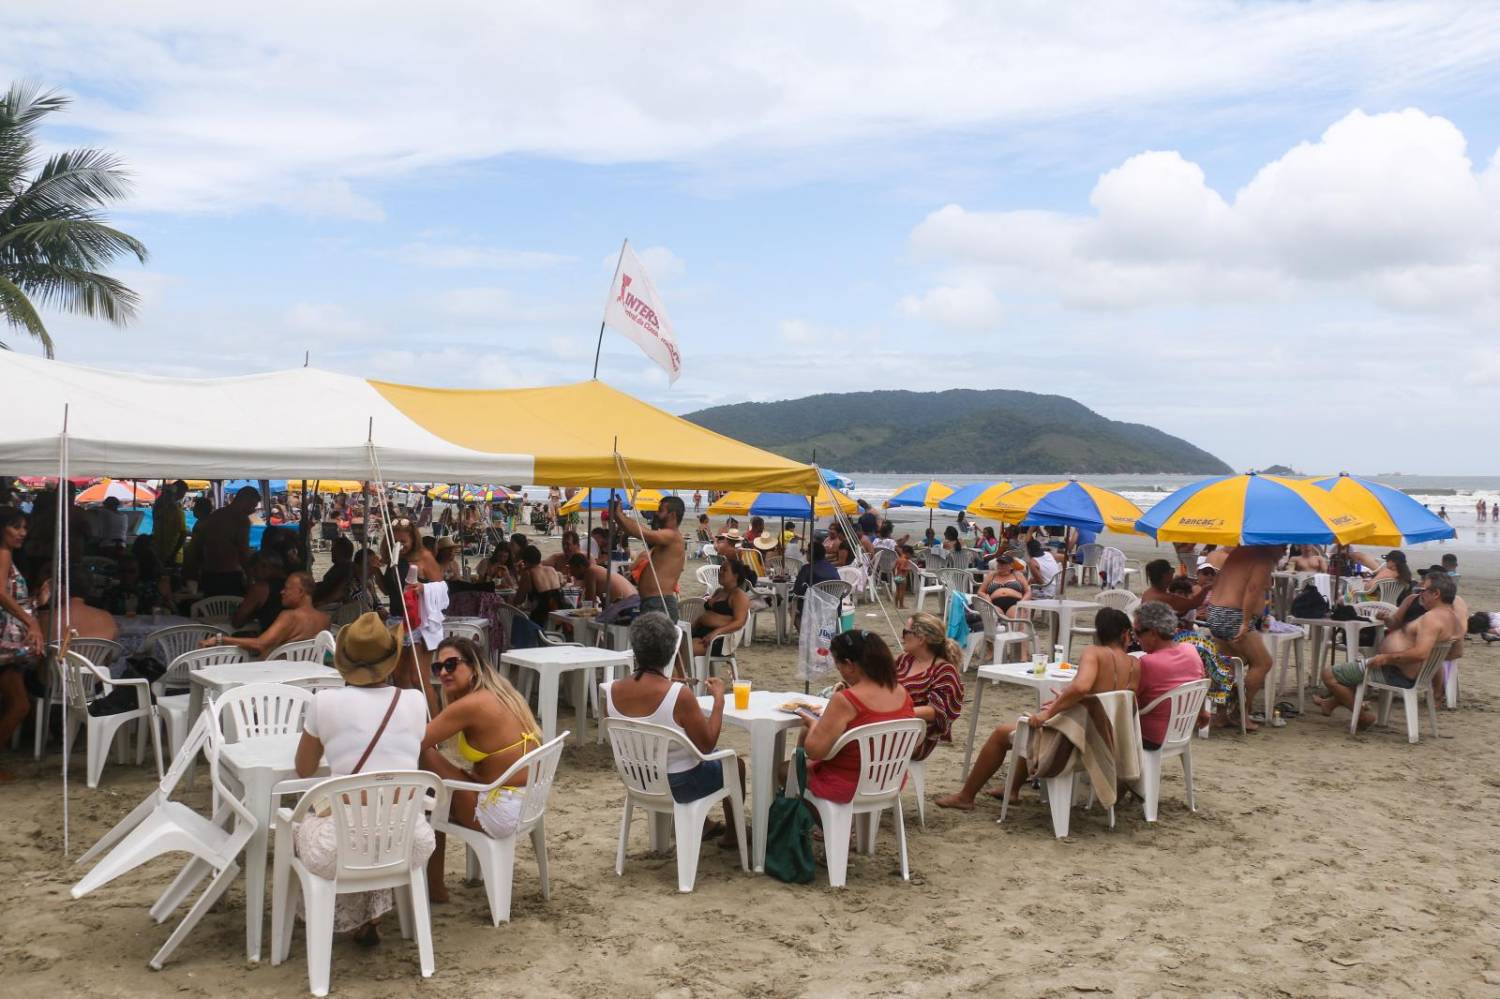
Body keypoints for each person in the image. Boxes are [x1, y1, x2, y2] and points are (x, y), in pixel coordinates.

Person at [291, 613, 434, 945]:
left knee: (311, 824)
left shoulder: (324, 702)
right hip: (409, 841)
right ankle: (371, 916)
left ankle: (329, 918)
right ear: (390, 660)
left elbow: (304, 768)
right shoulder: (415, 701)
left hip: (343, 847)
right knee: (376, 820)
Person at [937, 608, 1136, 811]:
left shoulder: (1094, 653)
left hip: (1076, 740)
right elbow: (1115, 701)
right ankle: (1012, 789)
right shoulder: (1134, 664)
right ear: (1124, 634)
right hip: (1110, 739)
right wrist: (1069, 702)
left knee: (1006, 732)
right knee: (1032, 727)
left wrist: (1050, 712)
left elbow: (1081, 687)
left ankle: (966, 796)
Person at [419, 635, 542, 902]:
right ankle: (433, 885)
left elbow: (417, 742)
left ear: (473, 666)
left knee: (426, 773)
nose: (443, 672)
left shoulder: (470, 705)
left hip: (501, 811)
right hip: (528, 802)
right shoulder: (502, 692)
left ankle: (434, 887)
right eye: (437, 667)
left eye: (451, 664)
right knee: (434, 789)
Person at [603, 613, 742, 848]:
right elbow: (706, 745)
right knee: (735, 764)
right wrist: (719, 700)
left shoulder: (610, 690)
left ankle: (704, 825)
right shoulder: (678, 694)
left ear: (635, 649)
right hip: (679, 784)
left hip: (638, 778)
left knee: (686, 753)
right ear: (670, 652)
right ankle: (732, 836)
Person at [1316, 572, 1461, 729]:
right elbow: (1453, 652)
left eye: (1424, 590)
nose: (1421, 594)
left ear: (1436, 594)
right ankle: (1330, 704)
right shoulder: (1452, 618)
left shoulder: (1431, 619)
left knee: (1328, 674)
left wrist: (1386, 658)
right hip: (1410, 673)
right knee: (1354, 672)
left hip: (1395, 673)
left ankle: (1363, 718)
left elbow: (1421, 653)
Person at [794, 629, 916, 805]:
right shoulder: (901, 692)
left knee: (786, 770)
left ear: (850, 665)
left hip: (848, 785)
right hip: (889, 780)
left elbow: (814, 752)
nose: (840, 672)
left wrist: (813, 724)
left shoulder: (846, 700)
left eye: (839, 666)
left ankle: (821, 821)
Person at [1203, 544, 1281, 731]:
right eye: (1283, 545)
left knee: (1227, 664)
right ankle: (1240, 712)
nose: (1285, 550)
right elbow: (1253, 590)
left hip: (1215, 611)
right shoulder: (1263, 558)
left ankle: (1222, 715)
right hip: (1233, 614)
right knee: (1263, 663)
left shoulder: (1240, 552)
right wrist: (1245, 622)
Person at [1133, 601, 1211, 749]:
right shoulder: (1191, 651)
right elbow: (1201, 683)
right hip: (1182, 732)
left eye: (1137, 632)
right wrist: (1202, 712)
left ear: (1153, 633)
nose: (1135, 638)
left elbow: (1130, 701)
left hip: (1150, 737)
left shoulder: (1147, 663)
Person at [203, 571, 329, 659]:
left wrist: (221, 639)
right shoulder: (325, 619)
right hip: (305, 674)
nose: (282, 592)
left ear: (300, 591)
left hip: (278, 673)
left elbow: (260, 644)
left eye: (287, 588)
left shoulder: (289, 616)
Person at [0, 508, 42, 772]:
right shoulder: (3, 553)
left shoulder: (8, 555)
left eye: (24, 527)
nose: (22, 533)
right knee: (20, 705)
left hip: (8, 641)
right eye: (16, 527)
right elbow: (1, 594)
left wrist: (35, 601)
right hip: (5, 644)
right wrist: (32, 622)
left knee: (17, 703)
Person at [895, 613, 965, 760]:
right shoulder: (905, 660)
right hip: (893, 725)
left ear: (921, 639)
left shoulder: (943, 670)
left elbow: (937, 711)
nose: (902, 637)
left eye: (905, 632)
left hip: (917, 737)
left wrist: (897, 713)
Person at [612, 495, 686, 620]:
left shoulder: (672, 535)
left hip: (660, 603)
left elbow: (642, 533)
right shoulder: (668, 537)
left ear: (672, 515)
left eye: (661, 510)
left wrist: (619, 514)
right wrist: (618, 516)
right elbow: (633, 530)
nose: (656, 513)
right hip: (654, 602)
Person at [198, 486, 260, 597]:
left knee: (211, 606)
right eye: (253, 505)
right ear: (244, 500)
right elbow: (243, 551)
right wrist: (250, 577)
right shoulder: (241, 519)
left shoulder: (216, 515)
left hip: (208, 574)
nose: (253, 510)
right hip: (229, 575)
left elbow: (200, 544)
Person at [691, 560, 751, 657]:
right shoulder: (719, 591)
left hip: (718, 639)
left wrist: (716, 632)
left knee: (683, 650)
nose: (720, 572)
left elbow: (739, 622)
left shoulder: (739, 596)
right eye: (720, 569)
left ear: (735, 576)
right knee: (674, 647)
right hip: (702, 633)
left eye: (724, 570)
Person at [1141, 558, 1210, 628]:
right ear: (1165, 575)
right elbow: (1194, 604)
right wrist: (1206, 588)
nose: (1173, 573)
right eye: (1172, 570)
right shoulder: (1163, 597)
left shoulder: (1148, 593)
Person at [515, 544, 567, 628]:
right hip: (558, 618)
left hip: (540, 621)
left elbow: (518, 600)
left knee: (515, 616)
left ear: (525, 561)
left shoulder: (528, 573)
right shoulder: (552, 569)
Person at [566, 552, 637, 609]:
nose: (571, 574)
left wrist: (577, 608)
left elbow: (589, 604)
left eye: (572, 570)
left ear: (580, 567)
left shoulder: (590, 572)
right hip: (633, 601)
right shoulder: (596, 569)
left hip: (628, 605)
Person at [977, 550, 1030, 616]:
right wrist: (985, 597)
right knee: (994, 616)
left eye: (1003, 563)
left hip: (1015, 603)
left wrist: (1022, 601)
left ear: (1011, 566)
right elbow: (980, 591)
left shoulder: (1017, 575)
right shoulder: (991, 575)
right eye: (999, 563)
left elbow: (1028, 591)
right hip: (994, 603)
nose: (1000, 565)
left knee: (1015, 615)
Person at [151, 480, 189, 568]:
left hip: (172, 556)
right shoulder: (161, 509)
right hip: (162, 554)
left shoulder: (176, 510)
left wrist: (173, 554)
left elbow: (183, 534)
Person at [312, 536, 357, 606]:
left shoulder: (346, 568)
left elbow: (340, 592)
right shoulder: (340, 566)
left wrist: (320, 603)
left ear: (340, 551)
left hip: (328, 605)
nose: (331, 551)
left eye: (333, 549)